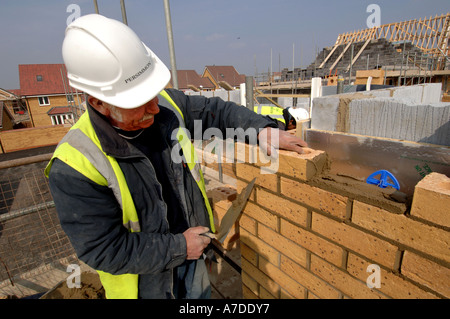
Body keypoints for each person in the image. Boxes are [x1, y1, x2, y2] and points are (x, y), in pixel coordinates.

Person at [45, 14, 309, 299]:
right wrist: (179, 248)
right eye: (140, 102)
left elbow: (216, 112)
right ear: (99, 102)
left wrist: (261, 130)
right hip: (145, 285)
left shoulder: (167, 106)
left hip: (193, 258)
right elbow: (104, 249)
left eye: (153, 95)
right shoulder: (75, 165)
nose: (155, 108)